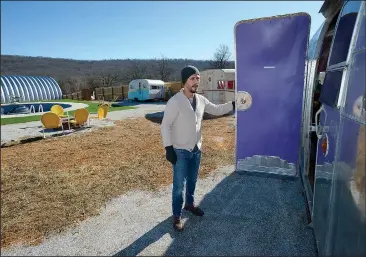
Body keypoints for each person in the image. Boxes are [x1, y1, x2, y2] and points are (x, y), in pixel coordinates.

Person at [160, 65, 235, 231]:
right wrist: (168, 148)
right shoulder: (175, 101)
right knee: (179, 185)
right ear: (184, 81)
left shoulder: (201, 100)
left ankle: (190, 205)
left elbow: (216, 109)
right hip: (180, 150)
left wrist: (233, 104)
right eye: (192, 78)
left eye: (198, 79)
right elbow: (166, 126)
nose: (196, 82)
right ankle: (177, 215)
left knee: (193, 180)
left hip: (196, 149)